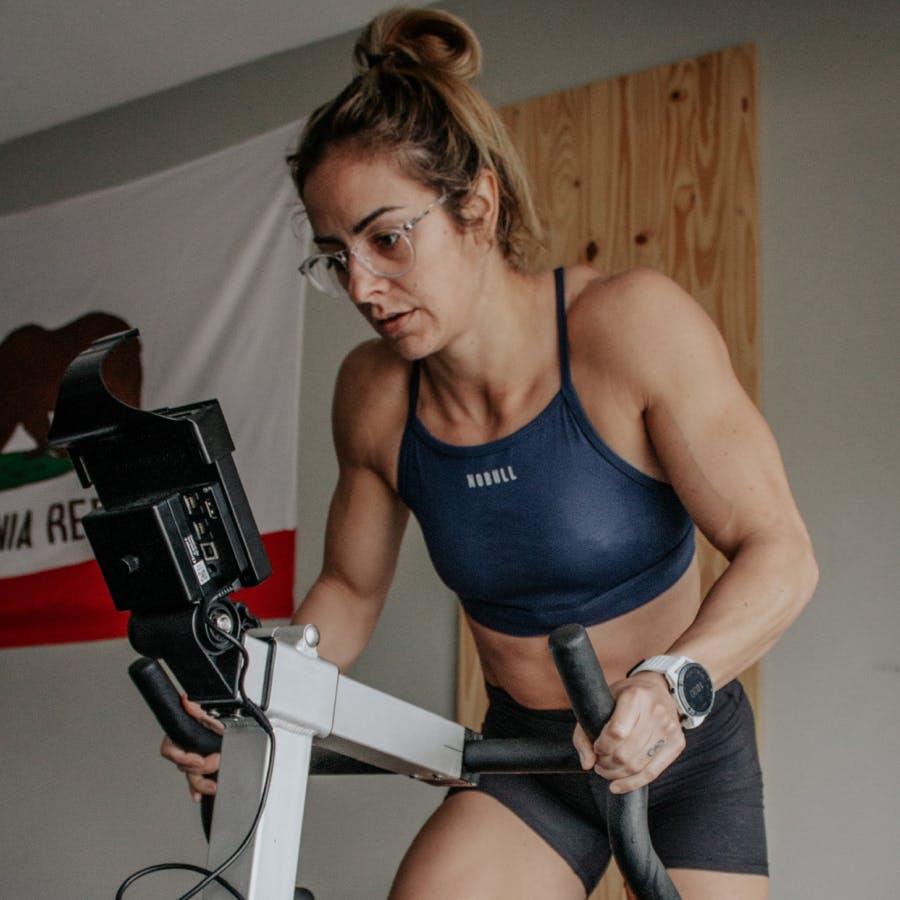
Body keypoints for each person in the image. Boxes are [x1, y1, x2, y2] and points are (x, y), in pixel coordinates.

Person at [163, 7, 818, 898]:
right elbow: (348, 597)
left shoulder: (629, 328)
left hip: (685, 749)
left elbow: (781, 552)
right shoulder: (375, 394)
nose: (361, 286)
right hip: (531, 760)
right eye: (335, 255)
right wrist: (257, 702)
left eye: (387, 239)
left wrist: (670, 685)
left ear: (475, 202)